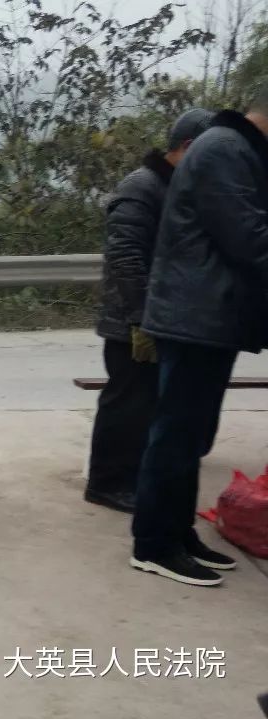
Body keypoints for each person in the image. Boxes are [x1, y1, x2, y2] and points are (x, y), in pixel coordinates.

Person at [129, 90, 268, 586]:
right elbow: (250, 236)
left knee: (190, 438)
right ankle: (152, 544)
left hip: (210, 317)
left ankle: (178, 531)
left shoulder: (233, 148)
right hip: (195, 317)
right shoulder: (226, 150)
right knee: (175, 435)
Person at [86, 109, 214, 514]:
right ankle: (106, 484)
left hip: (162, 319)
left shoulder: (176, 186)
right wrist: (143, 317)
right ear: (189, 148)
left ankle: (131, 477)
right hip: (132, 321)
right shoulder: (142, 186)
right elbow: (125, 258)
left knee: (148, 405)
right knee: (126, 403)